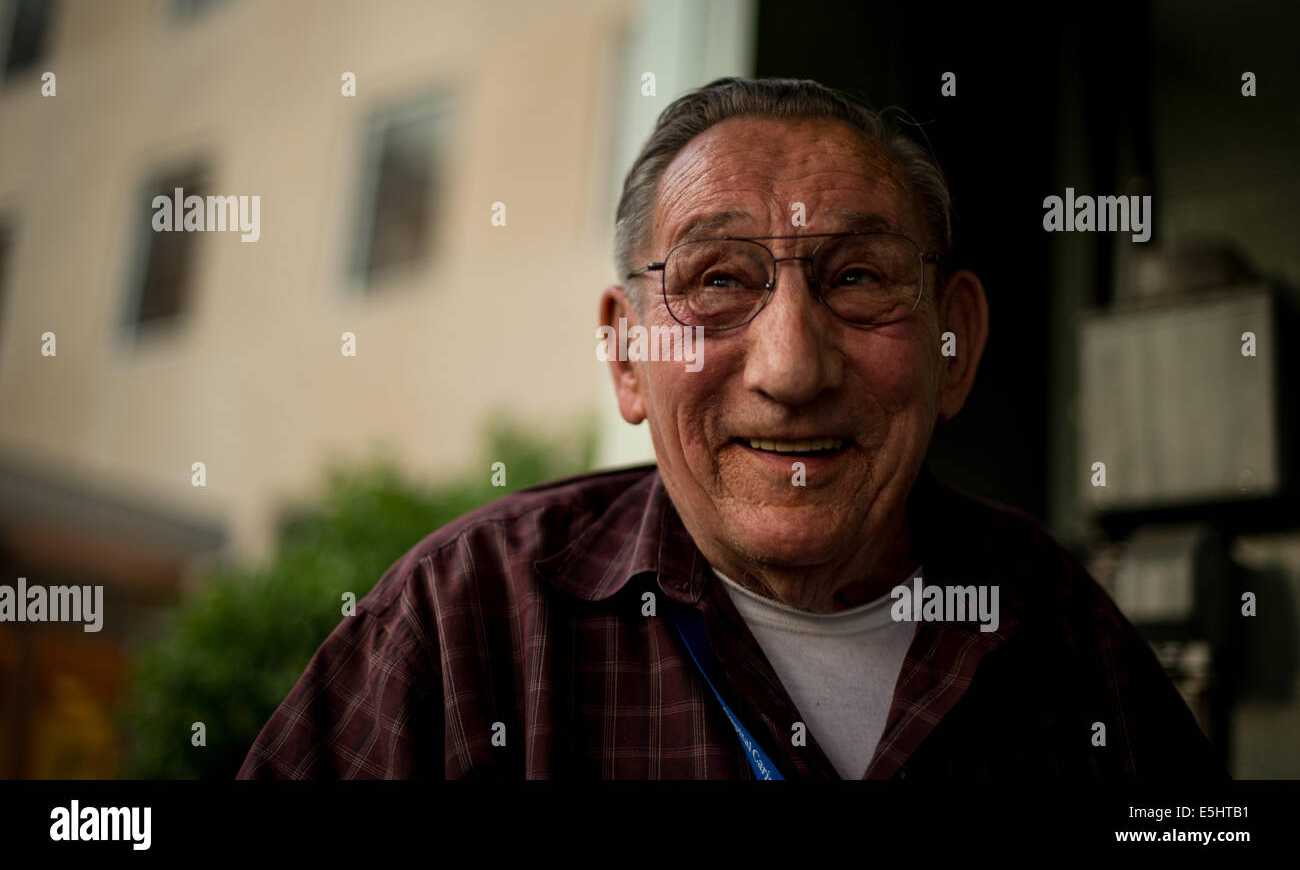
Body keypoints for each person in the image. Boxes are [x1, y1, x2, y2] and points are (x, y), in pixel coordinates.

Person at [237, 76, 1226, 779]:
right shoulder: (468, 621)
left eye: (857, 278)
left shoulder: (1055, 628)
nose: (791, 368)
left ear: (952, 342)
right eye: (717, 282)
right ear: (626, 356)